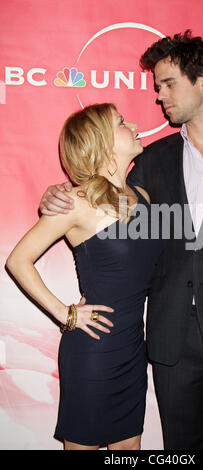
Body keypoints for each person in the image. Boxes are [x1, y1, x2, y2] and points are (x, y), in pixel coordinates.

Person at [39, 32, 203, 450]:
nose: (159, 97)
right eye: (157, 87)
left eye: (167, 84)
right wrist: (56, 192)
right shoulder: (150, 160)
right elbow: (103, 191)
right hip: (168, 339)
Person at [6, 103, 164, 450]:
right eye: (122, 123)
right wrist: (66, 314)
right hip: (94, 350)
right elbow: (18, 260)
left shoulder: (145, 199)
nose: (135, 124)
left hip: (134, 349)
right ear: (102, 141)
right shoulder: (76, 202)